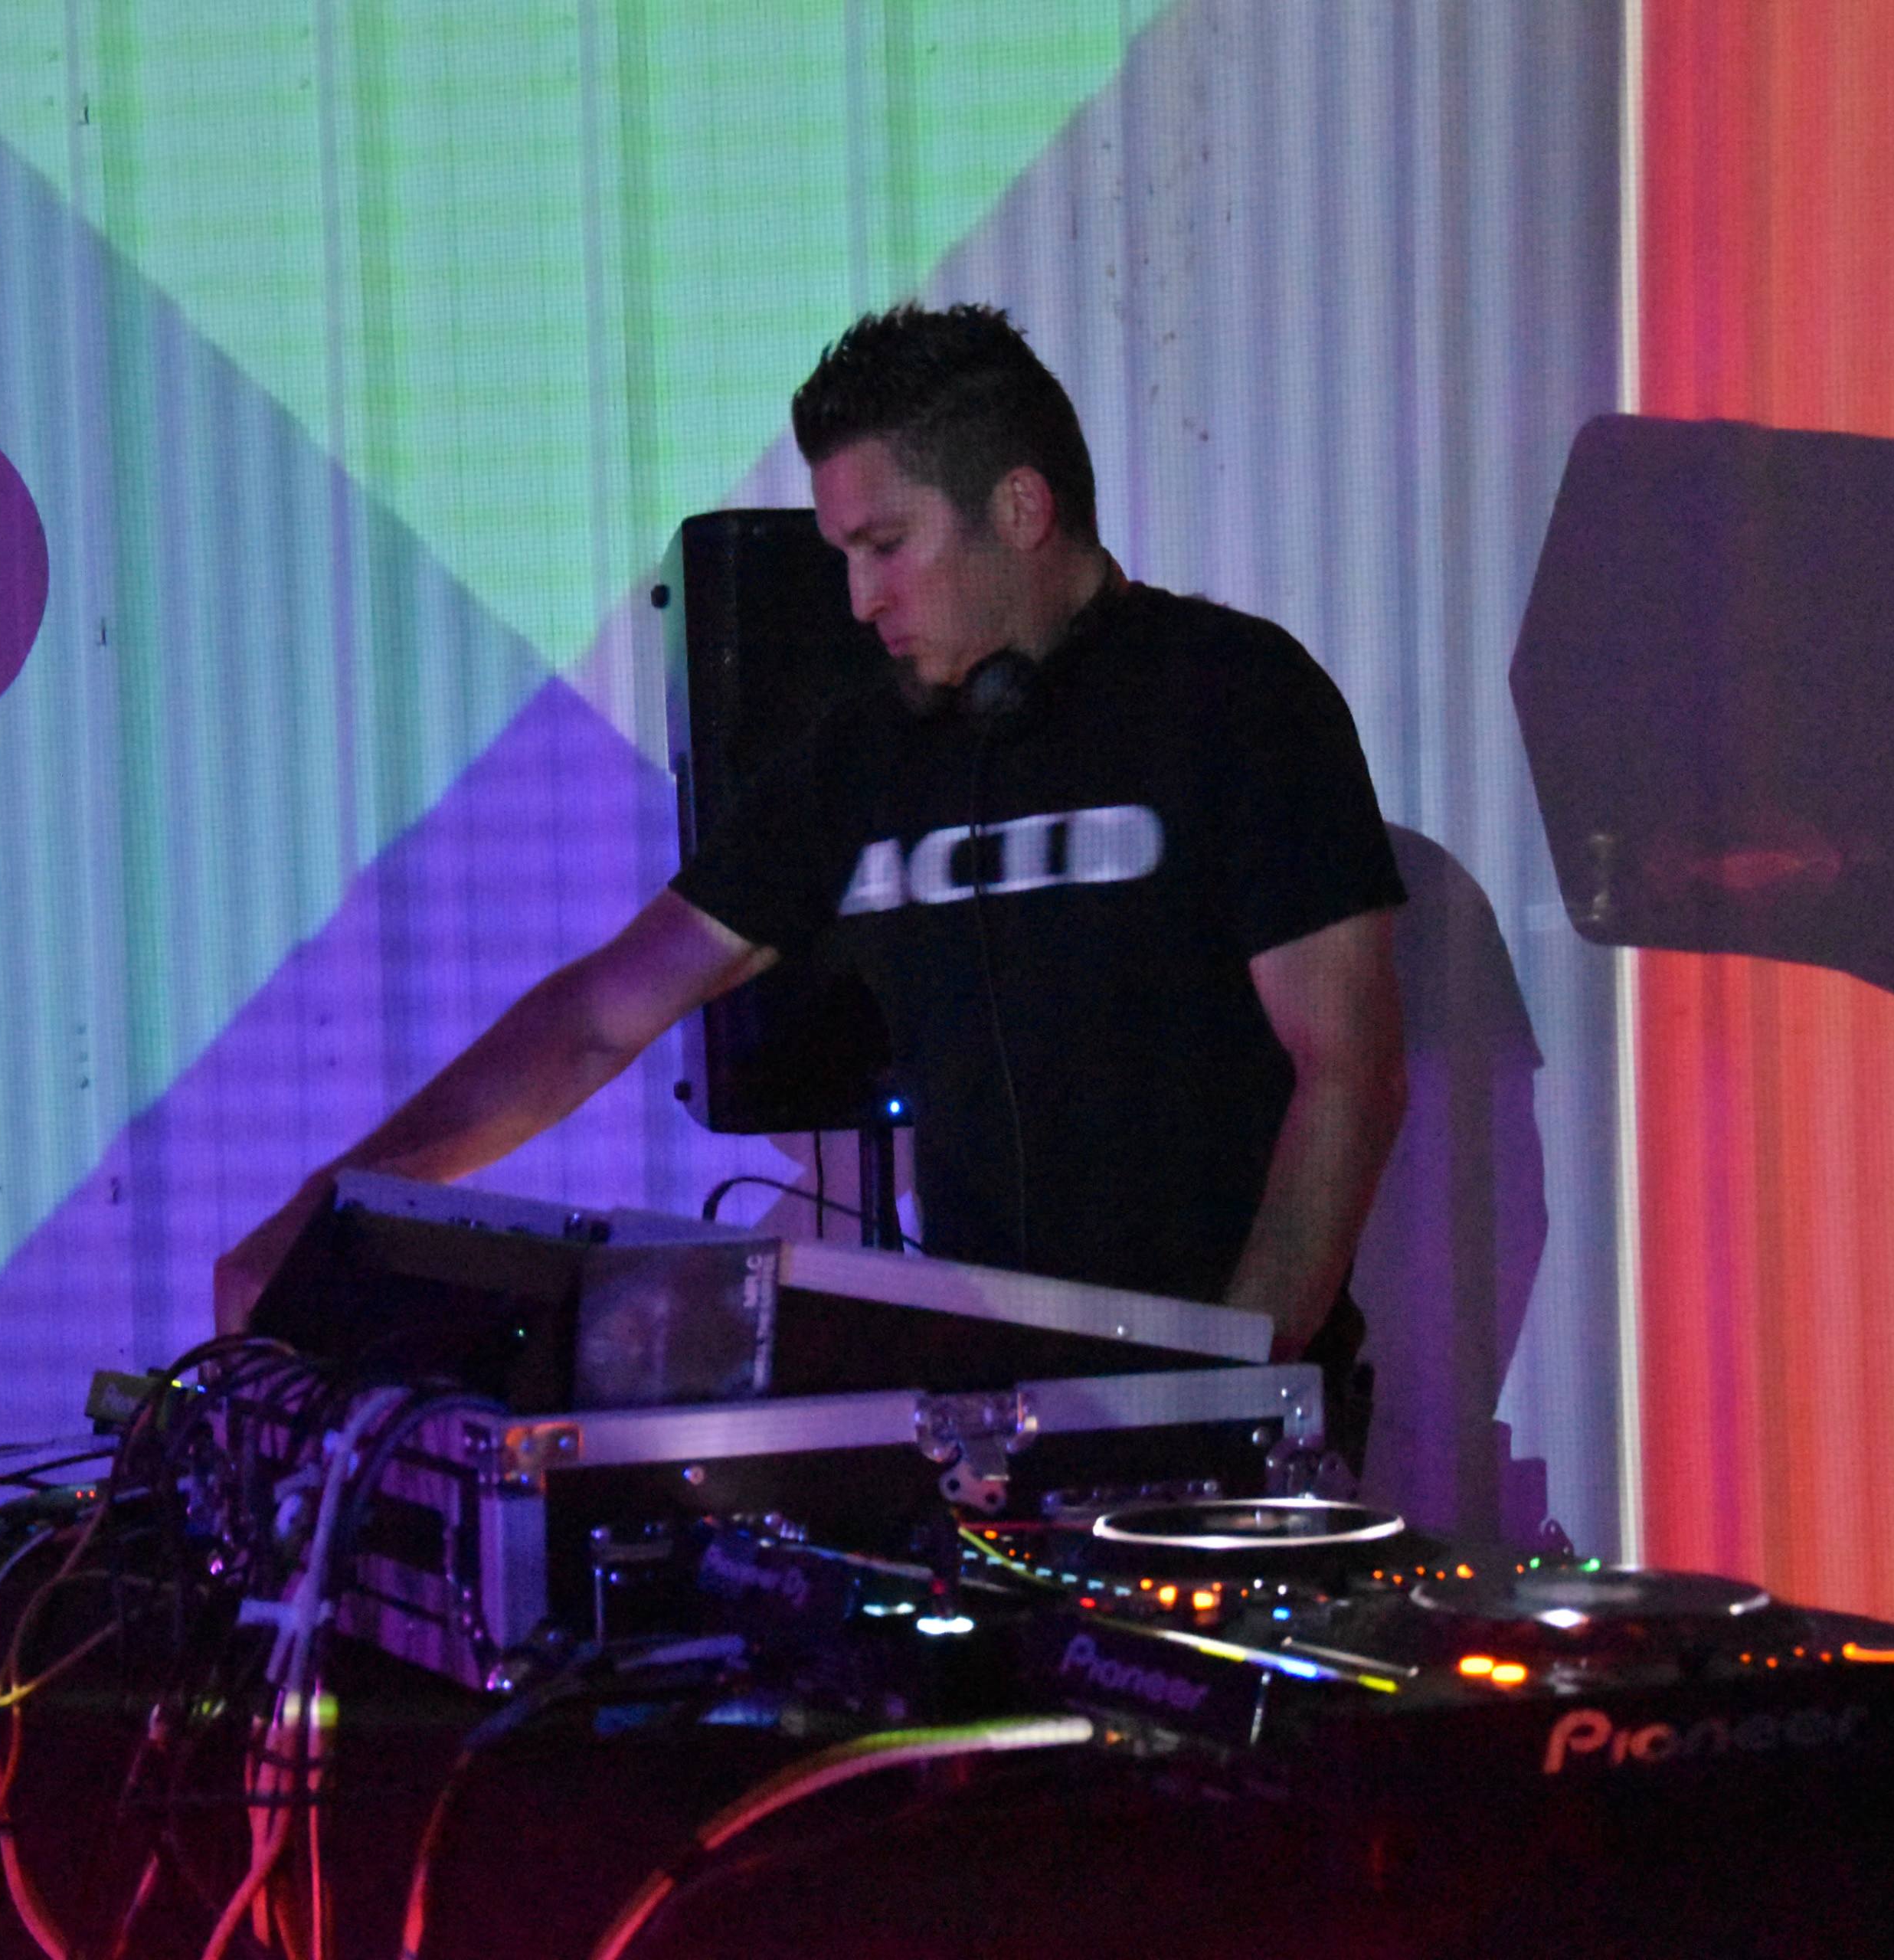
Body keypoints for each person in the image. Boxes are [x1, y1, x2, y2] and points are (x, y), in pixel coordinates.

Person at [217, 304, 1406, 1375]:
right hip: (1001, 1414)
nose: (859, 600)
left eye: (885, 547)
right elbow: (594, 1020)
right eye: (844, 556)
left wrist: (1242, 1379)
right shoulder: (866, 758)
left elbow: (1349, 1073)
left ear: (1021, 508)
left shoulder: (1237, 696)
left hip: (1225, 1421)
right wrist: (340, 1204)